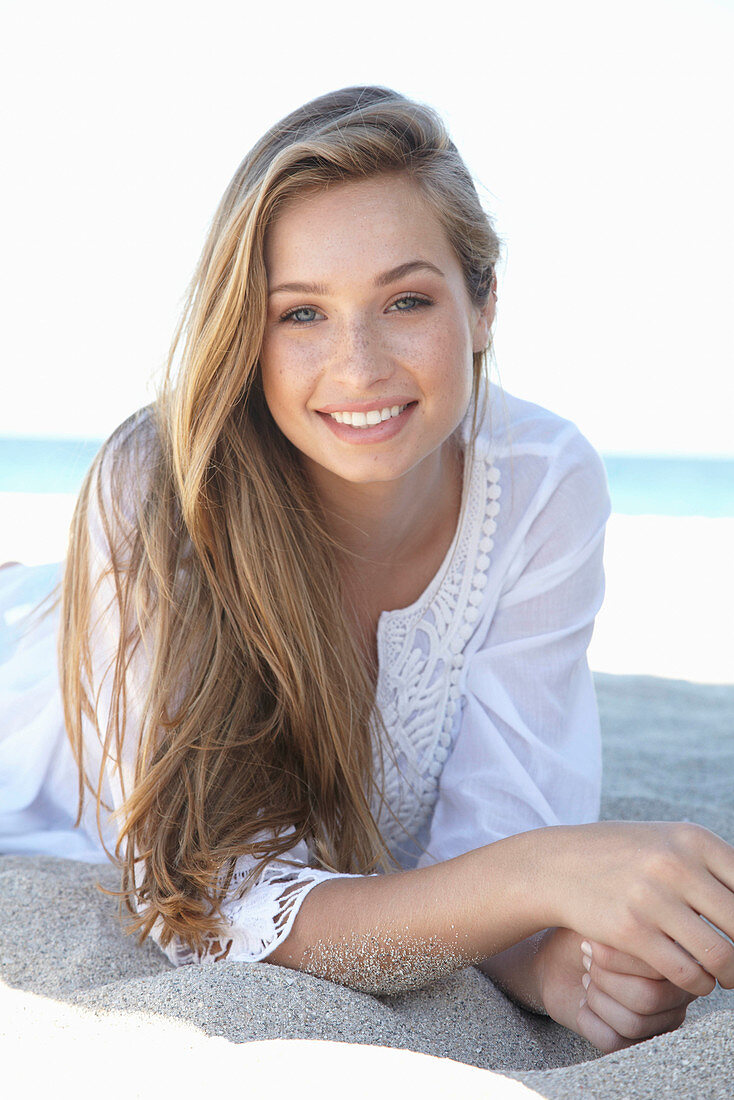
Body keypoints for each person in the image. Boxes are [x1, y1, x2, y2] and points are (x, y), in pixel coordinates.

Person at [1, 85, 732, 1056]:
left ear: (482, 303)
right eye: (300, 313)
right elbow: (214, 909)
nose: (357, 363)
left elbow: (487, 845)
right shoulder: (158, 489)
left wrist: (549, 963)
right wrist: (545, 877)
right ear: (246, 334)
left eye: (404, 300)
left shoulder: (544, 483)